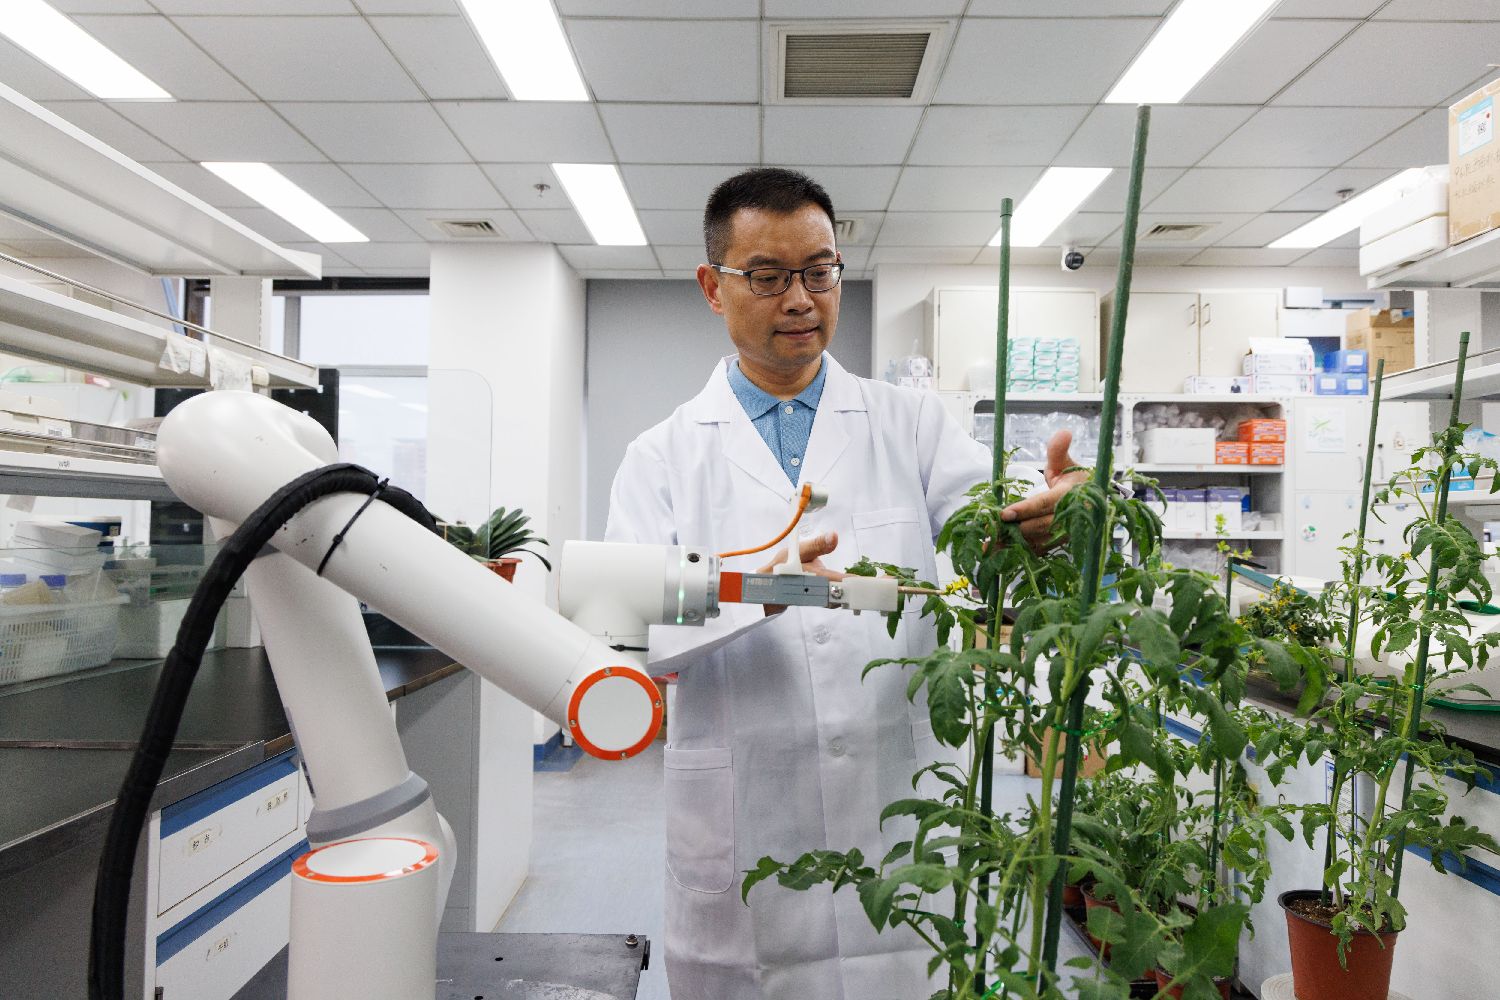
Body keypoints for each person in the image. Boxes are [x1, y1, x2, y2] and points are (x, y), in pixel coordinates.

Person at [604, 167, 1086, 999]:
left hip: (893, 807)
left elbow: (994, 529)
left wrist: (1049, 516)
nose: (801, 299)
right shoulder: (662, 455)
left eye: (819, 271)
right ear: (713, 288)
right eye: (768, 276)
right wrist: (752, 590)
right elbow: (623, 624)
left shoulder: (913, 425)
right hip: (746, 826)